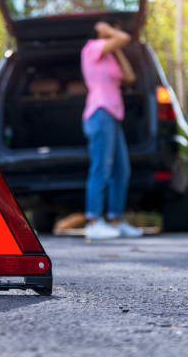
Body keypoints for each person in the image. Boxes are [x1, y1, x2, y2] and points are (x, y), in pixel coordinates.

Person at [81, 21, 143, 239]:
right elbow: (124, 38)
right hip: (99, 112)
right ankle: (94, 221)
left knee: (121, 169)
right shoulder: (91, 49)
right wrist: (108, 32)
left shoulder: (110, 57)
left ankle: (116, 220)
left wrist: (116, 47)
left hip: (113, 117)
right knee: (101, 167)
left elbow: (130, 77)